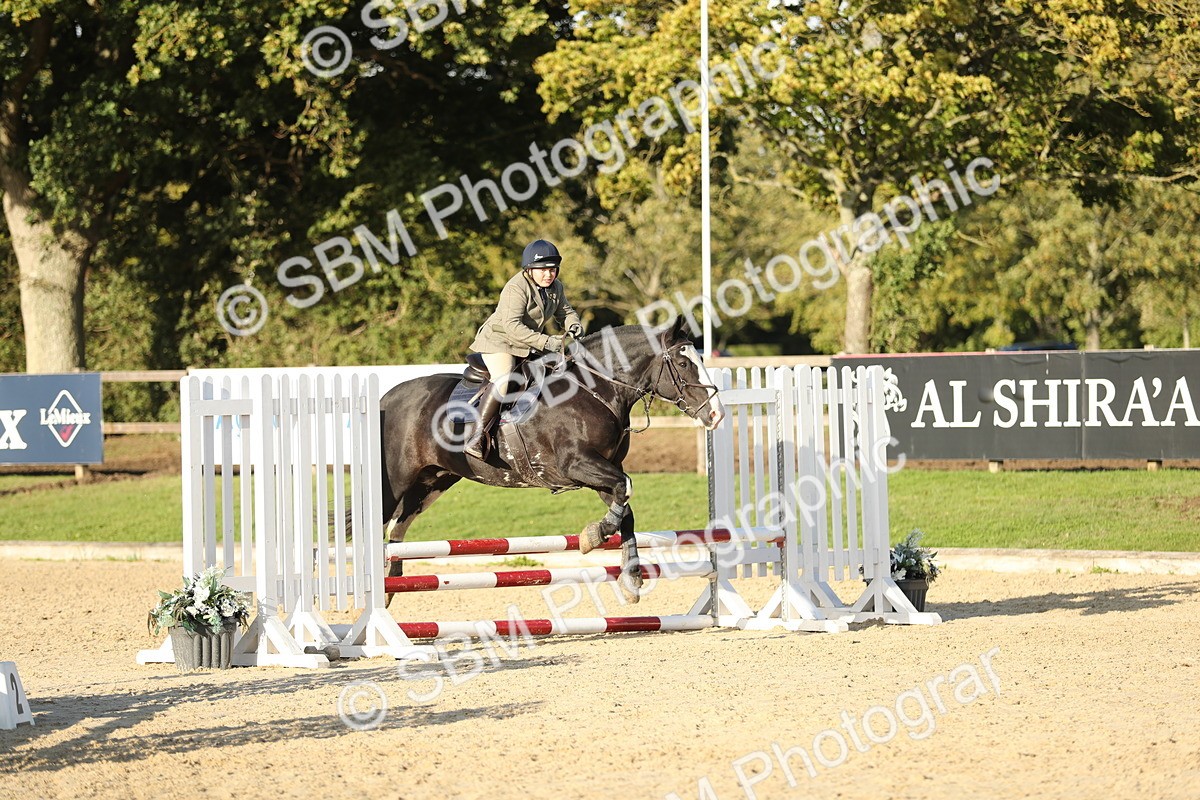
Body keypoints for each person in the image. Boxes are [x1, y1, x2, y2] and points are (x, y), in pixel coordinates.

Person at [463, 239, 583, 459]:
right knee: (504, 379)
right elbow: (512, 327)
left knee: (559, 371)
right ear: (530, 269)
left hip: (526, 343)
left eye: (553, 269)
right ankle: (476, 437)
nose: (549, 274)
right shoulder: (516, 287)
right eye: (543, 270)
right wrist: (547, 342)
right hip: (499, 340)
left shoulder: (556, 287)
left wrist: (573, 325)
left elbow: (566, 311)